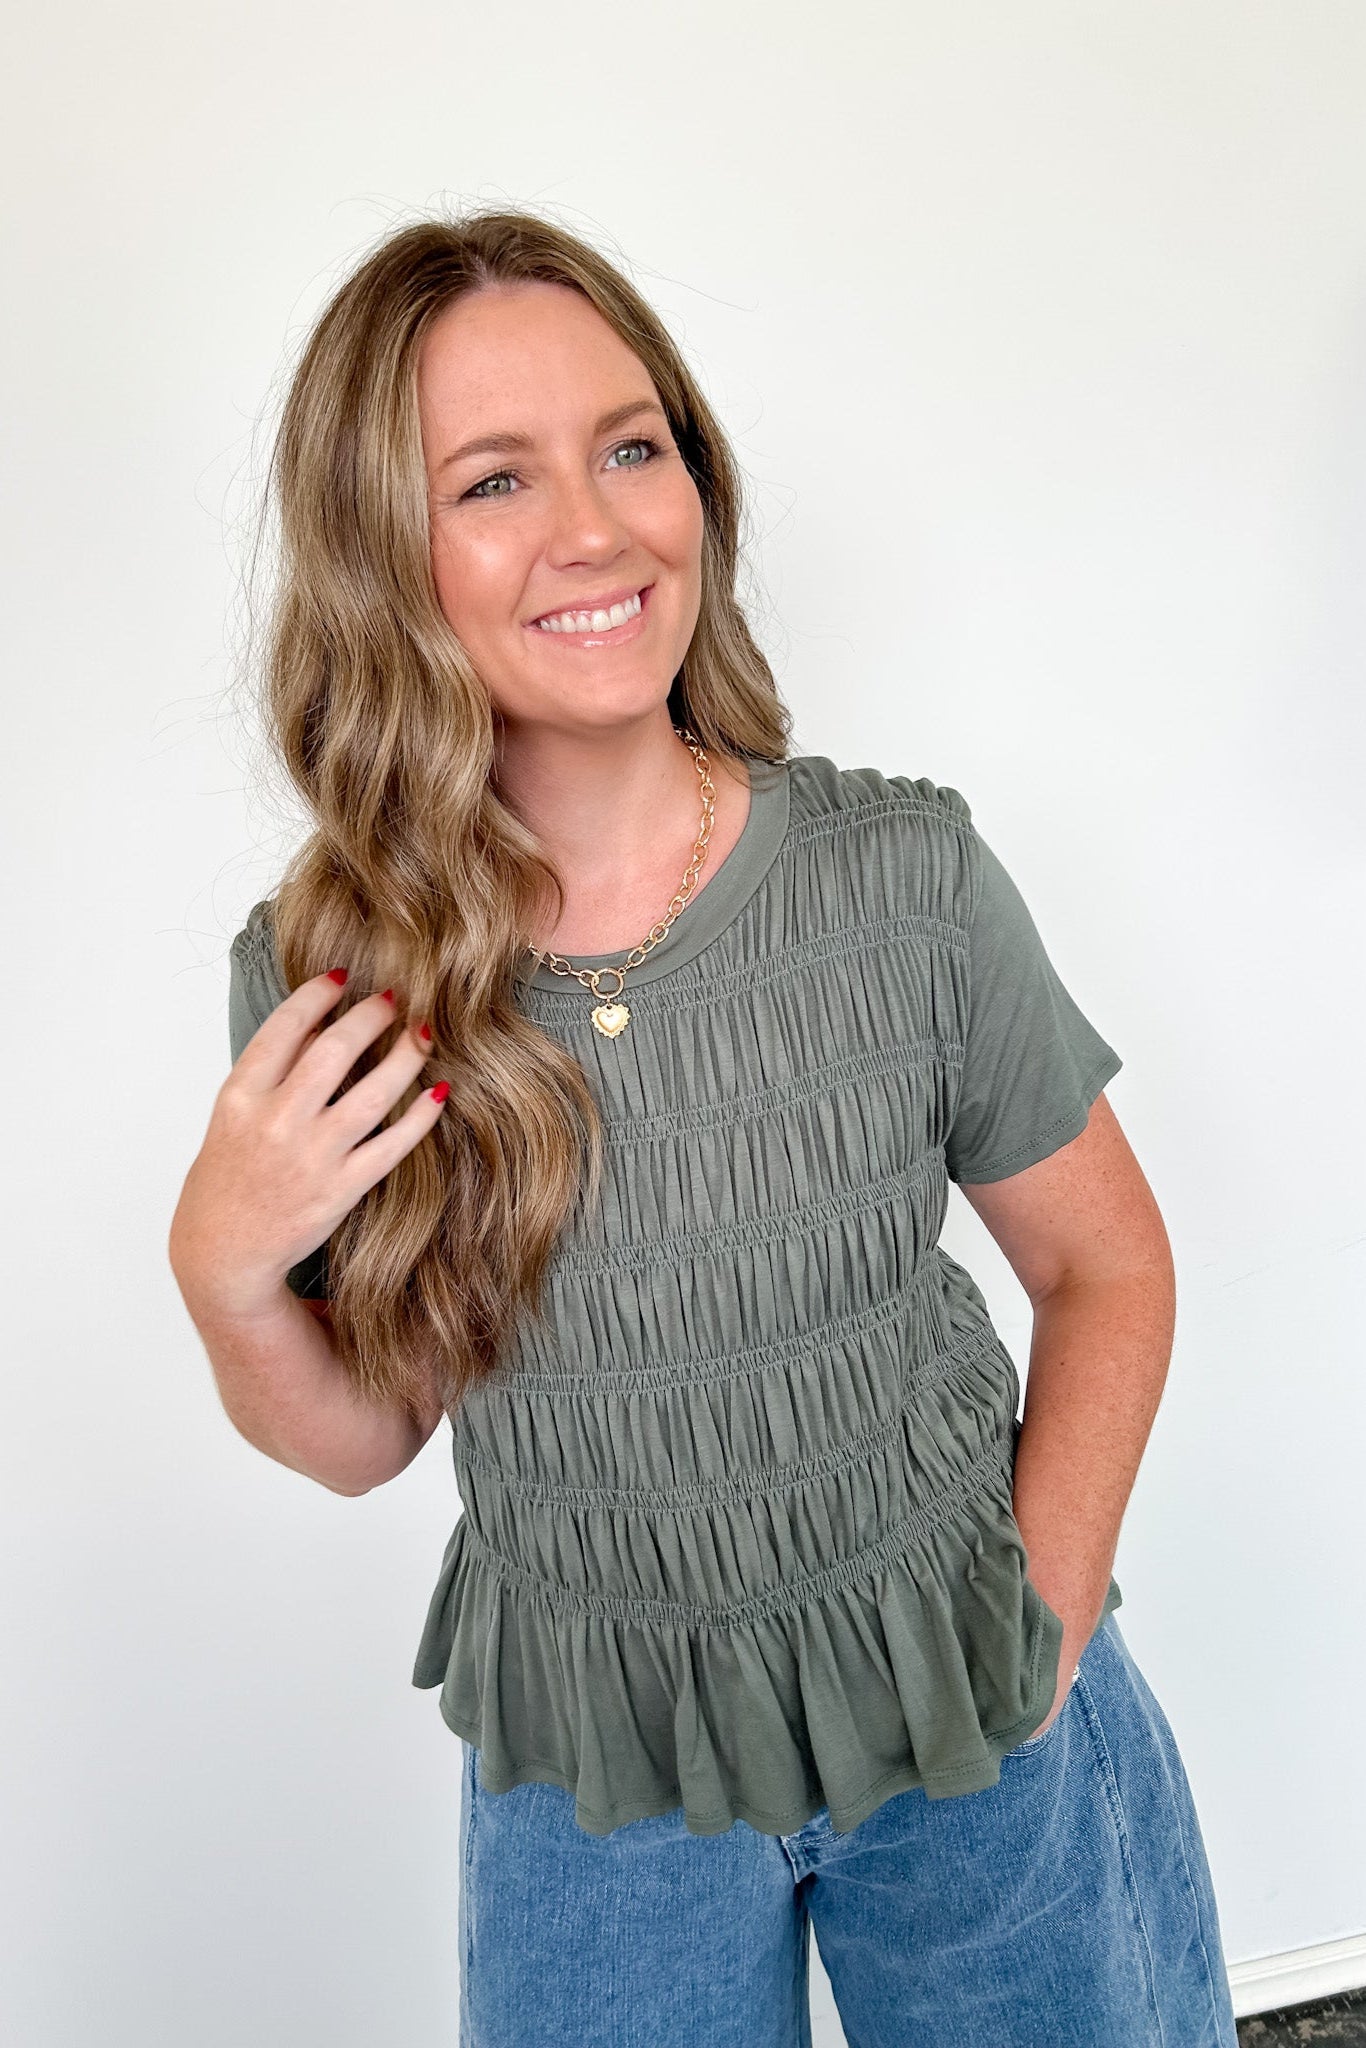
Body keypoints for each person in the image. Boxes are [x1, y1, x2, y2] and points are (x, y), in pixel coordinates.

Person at [168, 207, 1240, 2047]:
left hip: (965, 1706)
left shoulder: (903, 877)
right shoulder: (335, 976)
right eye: (491, 480)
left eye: (631, 446)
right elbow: (366, 1438)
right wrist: (224, 1272)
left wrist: (1041, 1650)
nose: (592, 529)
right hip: (598, 1782)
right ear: (380, 553)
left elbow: (1105, 1268)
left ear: (695, 481)